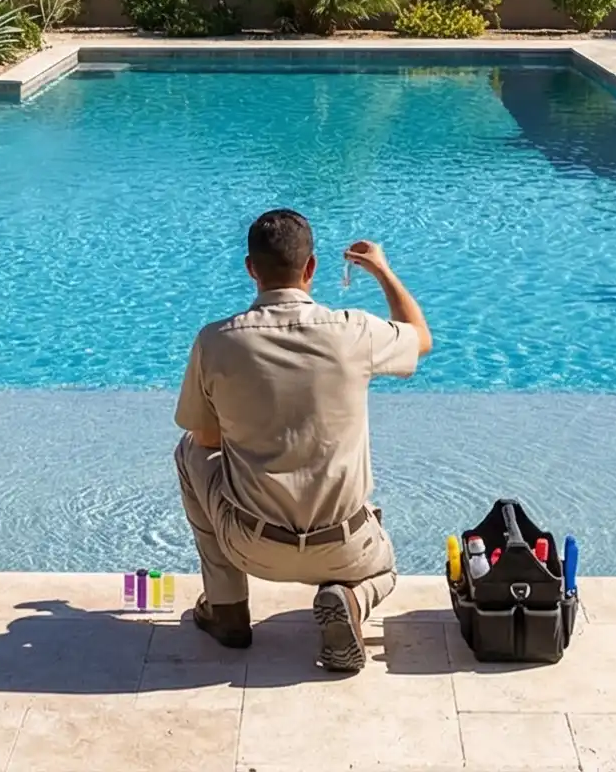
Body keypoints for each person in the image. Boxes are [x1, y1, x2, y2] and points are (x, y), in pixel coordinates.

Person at [173, 207, 432, 674]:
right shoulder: (354, 333)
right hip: (347, 547)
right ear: (310, 268)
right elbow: (421, 338)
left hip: (249, 544)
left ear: (251, 268)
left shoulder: (216, 342)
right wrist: (381, 270)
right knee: (384, 571)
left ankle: (227, 606)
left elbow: (207, 438)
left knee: (189, 451)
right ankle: (350, 599)